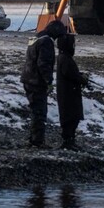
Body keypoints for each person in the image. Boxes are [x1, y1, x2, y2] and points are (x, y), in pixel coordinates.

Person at [22, 19, 67, 148]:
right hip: (36, 81)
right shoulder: (46, 42)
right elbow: (44, 64)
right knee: (40, 112)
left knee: (35, 111)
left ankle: (33, 139)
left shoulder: (36, 37)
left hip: (27, 78)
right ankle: (37, 141)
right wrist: (49, 82)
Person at [55, 33, 89, 150]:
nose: (74, 46)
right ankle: (68, 142)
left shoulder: (64, 57)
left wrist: (80, 76)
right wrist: (81, 79)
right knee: (70, 118)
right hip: (68, 94)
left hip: (70, 93)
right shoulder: (65, 58)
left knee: (72, 118)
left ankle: (70, 140)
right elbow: (69, 74)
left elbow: (71, 73)